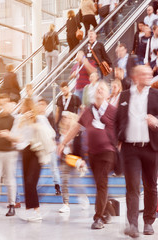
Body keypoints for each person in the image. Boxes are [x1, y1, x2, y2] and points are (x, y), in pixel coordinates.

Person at [115, 65, 158, 238]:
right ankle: (132, 224)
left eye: (150, 74)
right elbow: (118, 119)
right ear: (135, 77)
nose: (149, 76)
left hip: (151, 147)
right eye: (145, 74)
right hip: (130, 148)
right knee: (131, 186)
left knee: (150, 185)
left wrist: (157, 119)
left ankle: (148, 221)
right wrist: (118, 139)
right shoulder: (124, 96)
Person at [58, 81, 117, 230]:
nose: (99, 90)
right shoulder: (88, 111)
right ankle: (107, 209)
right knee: (99, 185)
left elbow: (121, 130)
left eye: (103, 89)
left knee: (102, 183)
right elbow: (76, 128)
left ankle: (98, 218)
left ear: (107, 95)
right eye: (98, 88)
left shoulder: (113, 111)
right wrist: (63, 142)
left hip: (108, 152)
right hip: (92, 153)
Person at [10, 98, 56, 221]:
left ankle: (37, 211)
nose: (23, 109)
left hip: (37, 151)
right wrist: (22, 122)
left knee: (31, 181)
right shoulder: (20, 119)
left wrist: (35, 125)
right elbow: (14, 136)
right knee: (27, 181)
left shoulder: (40, 118)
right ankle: (31, 210)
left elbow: (51, 133)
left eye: (25, 107)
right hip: (25, 151)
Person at [57, 111, 88, 213]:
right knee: (64, 181)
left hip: (74, 159)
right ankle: (66, 204)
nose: (66, 120)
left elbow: (81, 147)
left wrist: (82, 159)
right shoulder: (61, 131)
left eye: (69, 118)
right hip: (64, 159)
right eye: (65, 118)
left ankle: (83, 197)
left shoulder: (77, 132)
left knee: (76, 182)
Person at [36, 98, 61, 195]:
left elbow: (54, 130)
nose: (40, 106)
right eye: (39, 104)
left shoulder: (50, 117)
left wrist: (55, 141)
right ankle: (37, 187)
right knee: (38, 167)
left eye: (42, 104)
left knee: (54, 167)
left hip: (50, 145)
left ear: (46, 106)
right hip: (41, 146)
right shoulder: (36, 118)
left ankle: (57, 186)